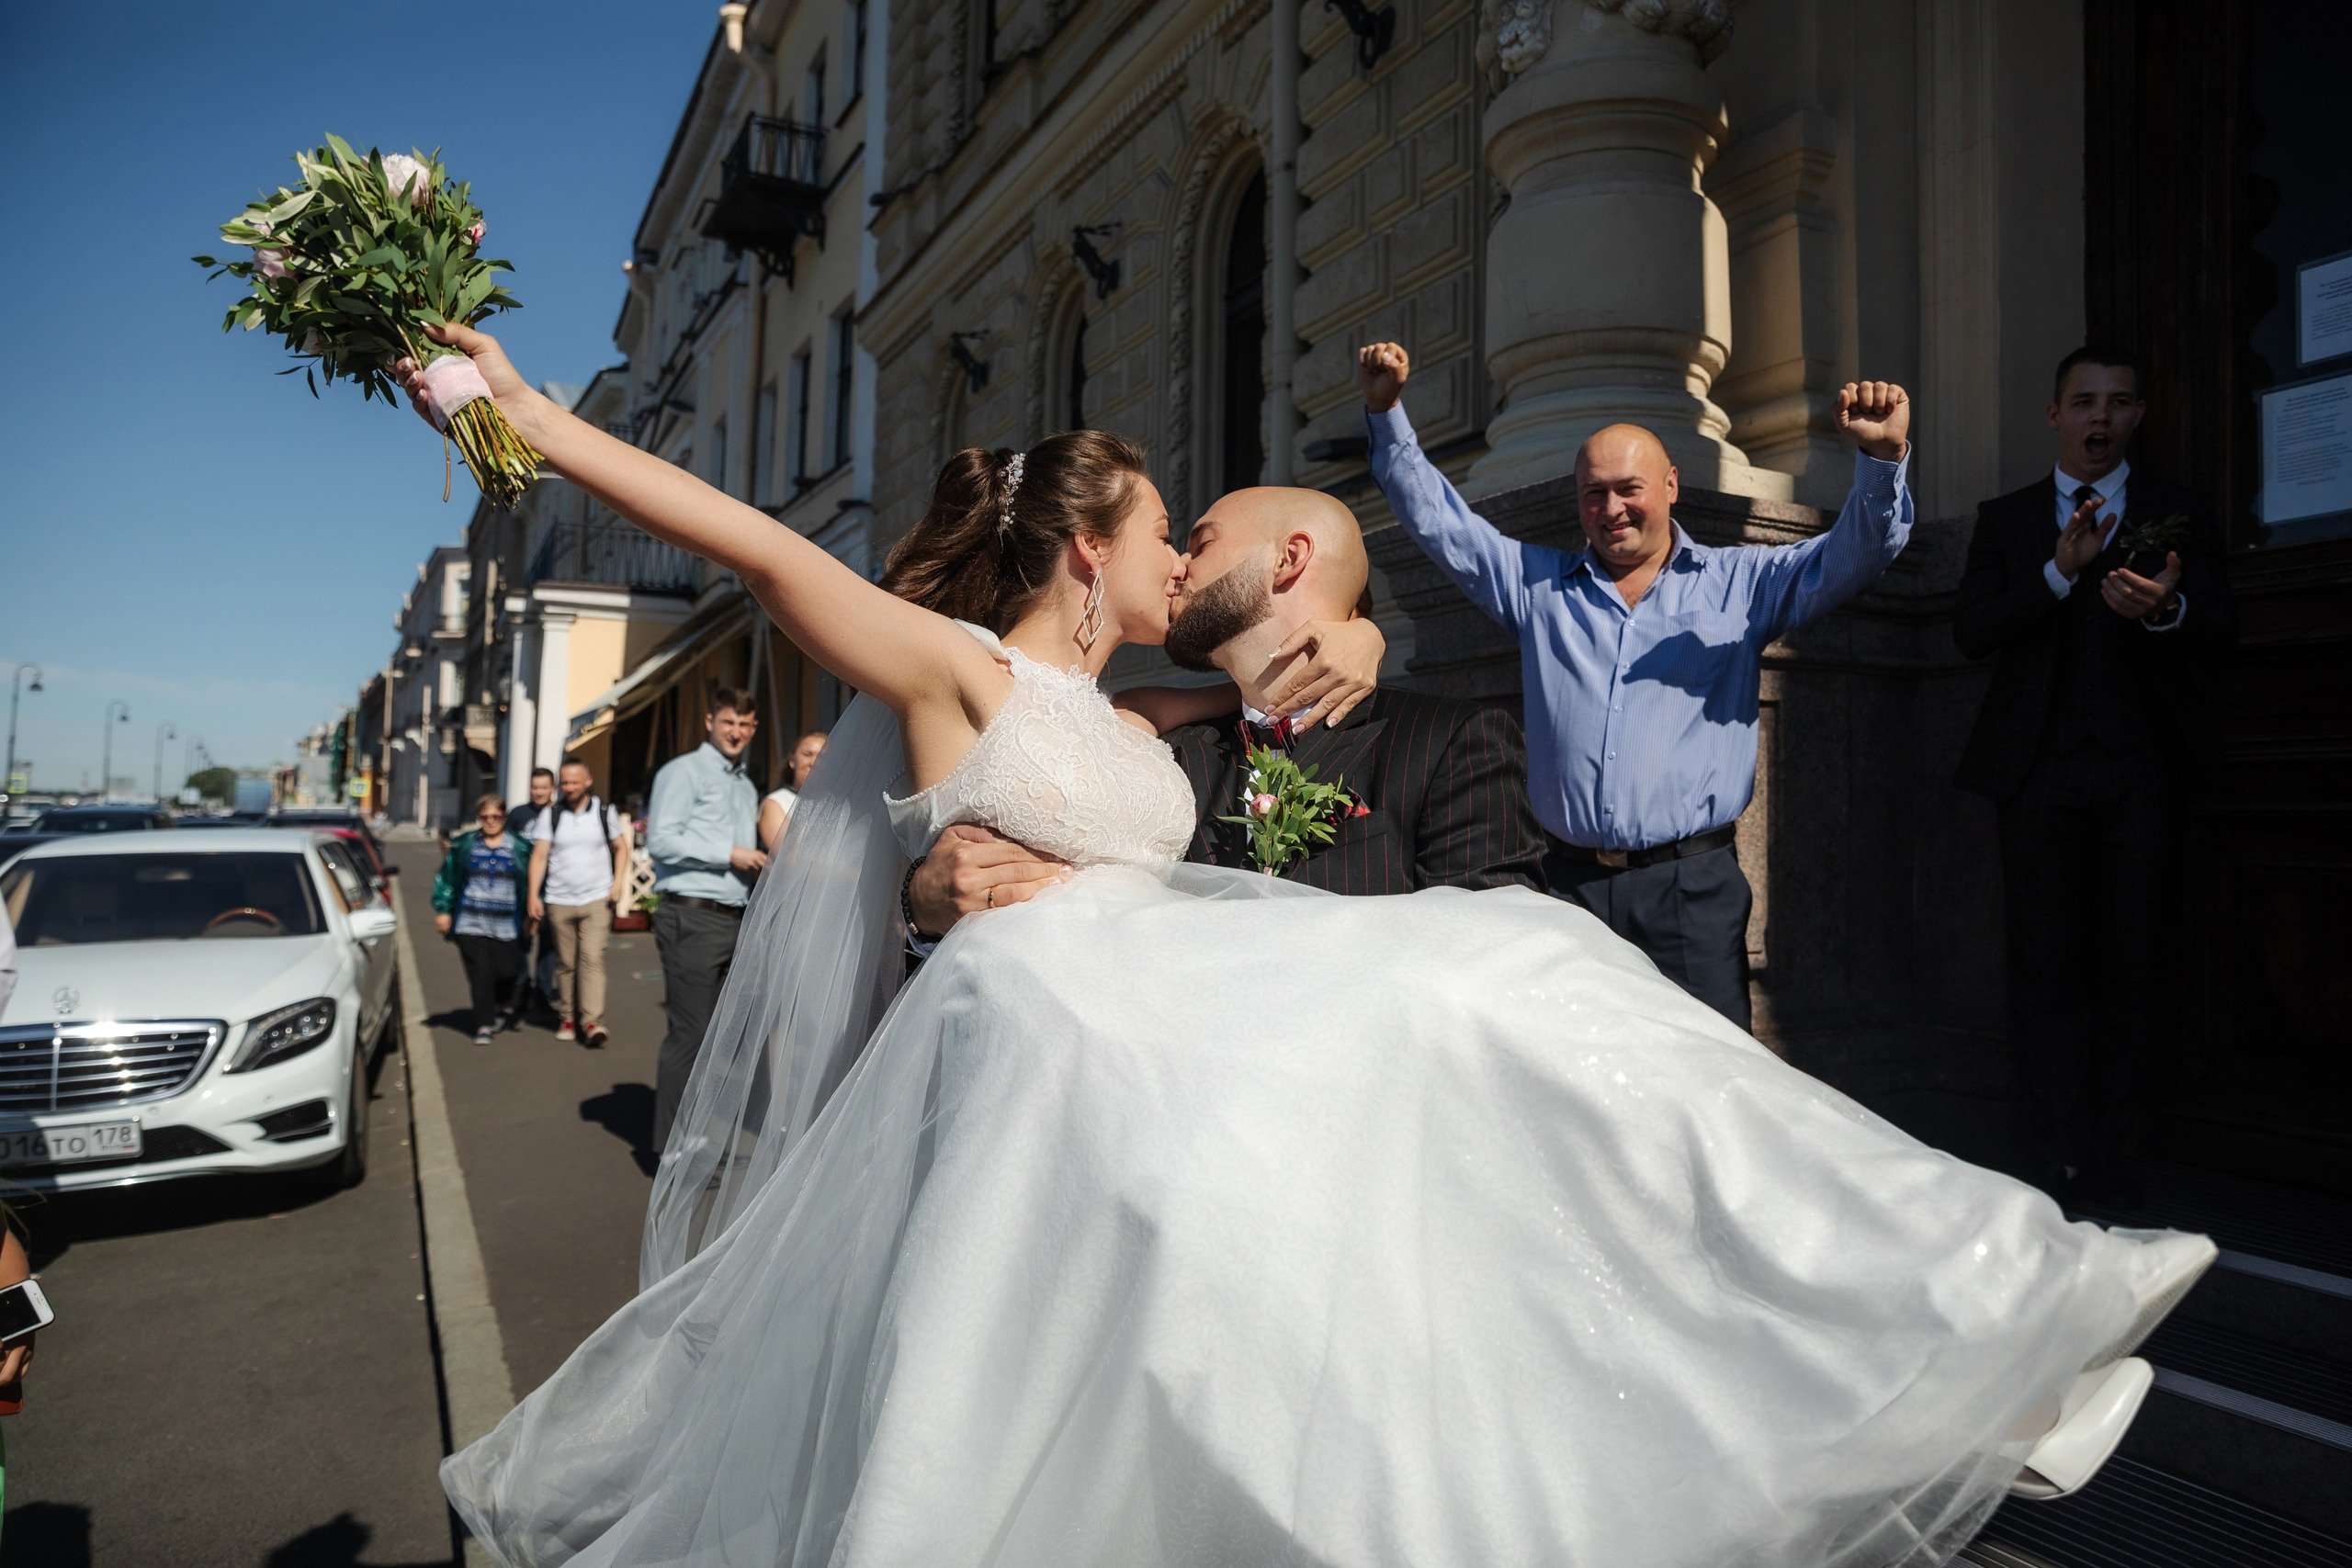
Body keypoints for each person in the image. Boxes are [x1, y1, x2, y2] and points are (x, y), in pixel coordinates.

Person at [405, 324, 2214, 1568]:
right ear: (1093, 552)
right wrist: (507, 412)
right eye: (1157, 524)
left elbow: (1289, 668)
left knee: (1543, 1005)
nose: (1179, 538)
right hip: (1049, 1077)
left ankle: (1966, 1296)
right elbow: (727, 534)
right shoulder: (955, 669)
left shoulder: (1143, 713)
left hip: (1161, 1063)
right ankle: (1941, 1297)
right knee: (1492, 1013)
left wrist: (1339, 647)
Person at [1357, 343, 1916, 1029]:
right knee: (1581, 1073)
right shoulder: (1539, 587)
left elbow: (1855, 556)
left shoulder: (1739, 584)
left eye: (1630, 489)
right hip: (1569, 887)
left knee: (1707, 1079)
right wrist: (1387, 414)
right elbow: (1446, 527)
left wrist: (1881, 463)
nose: (1612, 508)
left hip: (1689, 889)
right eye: (1595, 493)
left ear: (1671, 486)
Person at [909, 486, 1544, 933]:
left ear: (1289, 559)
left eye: (1200, 542)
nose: (1180, 568)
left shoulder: (1450, 741)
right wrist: (922, 906)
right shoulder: (1162, 763)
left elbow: (1492, 958)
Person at [1952, 346, 2237, 1204]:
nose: (2100, 419)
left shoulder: (2175, 512)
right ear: (2055, 416)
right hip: (2036, 776)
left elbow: (2223, 625)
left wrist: (2170, 609)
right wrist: (2056, 573)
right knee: (2045, 969)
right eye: (2083, 403)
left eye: (2117, 403)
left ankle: (2117, 1155)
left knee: (2133, 962)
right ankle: (2053, 1154)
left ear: (2139, 415)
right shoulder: (2006, 520)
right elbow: (1972, 631)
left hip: (2141, 774)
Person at [645, 687, 763, 1145]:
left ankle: (695, 1136)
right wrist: (728, 853)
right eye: (728, 721)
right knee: (690, 1034)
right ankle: (671, 1148)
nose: (736, 732)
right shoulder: (683, 771)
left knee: (718, 1039)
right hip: (692, 915)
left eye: (745, 725)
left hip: (731, 916)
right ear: (709, 721)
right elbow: (661, 841)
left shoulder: (744, 783)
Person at [526, 759, 631, 1048]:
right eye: (565, 783)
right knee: (565, 963)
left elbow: (621, 848)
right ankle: (568, 1018)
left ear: (587, 781)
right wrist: (533, 895)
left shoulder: (603, 811)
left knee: (593, 959)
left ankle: (593, 1021)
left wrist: (618, 881)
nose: (569, 788)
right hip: (559, 900)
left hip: (596, 898)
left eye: (575, 782)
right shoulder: (552, 814)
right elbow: (539, 856)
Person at [431, 794, 533, 1045]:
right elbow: (447, 878)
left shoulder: (520, 847)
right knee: (481, 974)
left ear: (504, 818)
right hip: (470, 922)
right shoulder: (466, 845)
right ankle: (484, 1024)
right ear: (479, 819)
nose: (490, 821)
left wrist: (532, 915)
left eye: (496, 816)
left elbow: (533, 882)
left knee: (507, 971)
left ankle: (500, 1005)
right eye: (485, 817)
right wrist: (443, 910)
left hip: (507, 924)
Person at [505, 767, 560, 1018]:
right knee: (520, 939)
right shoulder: (518, 814)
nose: (539, 792)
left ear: (553, 788)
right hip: (520, 887)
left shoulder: (561, 813)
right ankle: (522, 985)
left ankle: (544, 989)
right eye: (535, 787)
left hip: (555, 887)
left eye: (543, 787)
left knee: (549, 943)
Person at [755, 730, 829, 855]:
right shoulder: (776, 802)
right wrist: (849, 873)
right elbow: (788, 859)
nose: (814, 762)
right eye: (807, 754)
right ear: (792, 760)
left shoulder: (839, 804)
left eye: (822, 756)